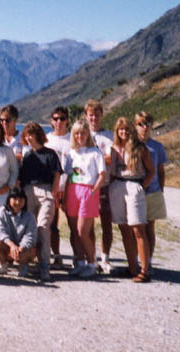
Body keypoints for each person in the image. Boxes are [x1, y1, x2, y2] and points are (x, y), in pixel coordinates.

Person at [109, 117, 154, 282]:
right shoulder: (113, 148)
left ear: (132, 131)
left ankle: (145, 270)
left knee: (138, 229)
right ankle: (132, 268)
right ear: (117, 131)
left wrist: (143, 186)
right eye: (121, 129)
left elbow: (151, 171)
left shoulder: (140, 148)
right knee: (124, 229)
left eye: (127, 129)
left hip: (134, 186)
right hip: (117, 186)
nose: (124, 132)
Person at [19, 122, 62, 281]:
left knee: (43, 227)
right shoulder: (27, 156)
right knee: (28, 229)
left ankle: (44, 265)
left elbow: (57, 175)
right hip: (28, 191)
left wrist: (54, 194)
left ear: (38, 135)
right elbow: (22, 178)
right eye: (26, 135)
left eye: (32, 134)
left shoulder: (50, 154)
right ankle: (25, 264)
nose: (29, 138)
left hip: (46, 192)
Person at [64, 119, 106, 278]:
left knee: (83, 231)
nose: (80, 136)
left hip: (88, 192)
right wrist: (65, 196)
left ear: (88, 133)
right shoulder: (72, 153)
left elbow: (102, 175)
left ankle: (92, 262)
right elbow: (69, 175)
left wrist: (94, 190)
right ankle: (80, 262)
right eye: (76, 133)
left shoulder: (95, 152)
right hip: (73, 191)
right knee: (75, 230)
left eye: (82, 132)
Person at [135, 111, 167, 272]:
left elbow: (160, 170)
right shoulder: (132, 145)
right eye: (141, 123)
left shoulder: (157, 147)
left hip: (152, 192)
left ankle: (150, 260)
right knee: (136, 227)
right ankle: (138, 258)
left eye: (147, 124)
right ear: (136, 126)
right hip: (135, 191)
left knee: (149, 228)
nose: (144, 127)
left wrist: (160, 189)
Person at [84, 99, 114, 273]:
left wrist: (95, 158)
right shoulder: (82, 134)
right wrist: (101, 158)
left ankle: (105, 257)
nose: (93, 118)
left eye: (96, 114)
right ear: (86, 116)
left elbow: (113, 157)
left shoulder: (109, 135)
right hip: (87, 186)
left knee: (106, 223)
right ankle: (91, 256)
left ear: (101, 115)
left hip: (105, 184)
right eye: (90, 115)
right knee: (88, 224)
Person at [0, 188, 37, 277]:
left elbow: (30, 236)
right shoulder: (2, 212)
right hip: (8, 245)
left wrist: (20, 248)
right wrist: (12, 245)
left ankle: (24, 266)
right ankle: (2, 265)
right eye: (14, 199)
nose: (18, 202)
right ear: (9, 199)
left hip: (22, 248)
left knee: (33, 250)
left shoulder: (30, 216)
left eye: (21, 199)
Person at [46, 106, 71, 269]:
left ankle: (80, 258)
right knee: (52, 225)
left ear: (67, 120)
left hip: (70, 187)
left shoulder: (73, 139)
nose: (59, 122)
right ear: (51, 121)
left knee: (75, 226)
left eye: (62, 118)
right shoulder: (47, 139)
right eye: (55, 119)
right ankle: (56, 256)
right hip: (52, 187)